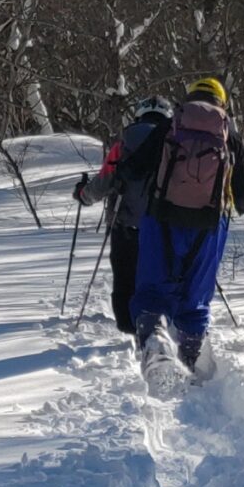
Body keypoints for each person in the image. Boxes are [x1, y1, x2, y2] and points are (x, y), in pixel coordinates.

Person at [128, 76, 244, 373]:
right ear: (222, 101)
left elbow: (134, 169)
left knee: (153, 286)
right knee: (196, 293)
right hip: (209, 223)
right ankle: (190, 358)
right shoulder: (229, 132)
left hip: (161, 216)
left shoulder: (171, 125)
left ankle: (155, 338)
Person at [73, 94, 173, 333]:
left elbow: (104, 182)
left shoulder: (124, 144)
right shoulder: (173, 143)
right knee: (161, 277)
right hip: (164, 225)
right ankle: (162, 323)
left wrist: (83, 195)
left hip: (125, 223)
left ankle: (128, 325)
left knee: (125, 276)